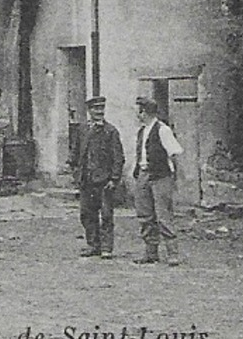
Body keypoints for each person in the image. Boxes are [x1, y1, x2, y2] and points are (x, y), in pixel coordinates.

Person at [132, 96, 184, 266]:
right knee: (145, 214)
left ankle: (172, 253)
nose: (137, 114)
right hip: (143, 175)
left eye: (138, 110)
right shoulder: (141, 131)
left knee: (163, 215)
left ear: (144, 112)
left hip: (161, 176)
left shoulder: (163, 130)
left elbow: (174, 153)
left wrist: (174, 176)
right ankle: (151, 252)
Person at [71, 95, 124, 258]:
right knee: (87, 213)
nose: (99, 112)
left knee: (106, 214)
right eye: (95, 109)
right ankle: (93, 244)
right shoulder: (82, 129)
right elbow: (76, 152)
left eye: (101, 109)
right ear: (89, 111)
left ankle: (106, 248)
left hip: (104, 181)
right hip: (86, 179)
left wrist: (114, 179)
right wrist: (75, 171)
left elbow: (118, 157)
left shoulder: (110, 131)